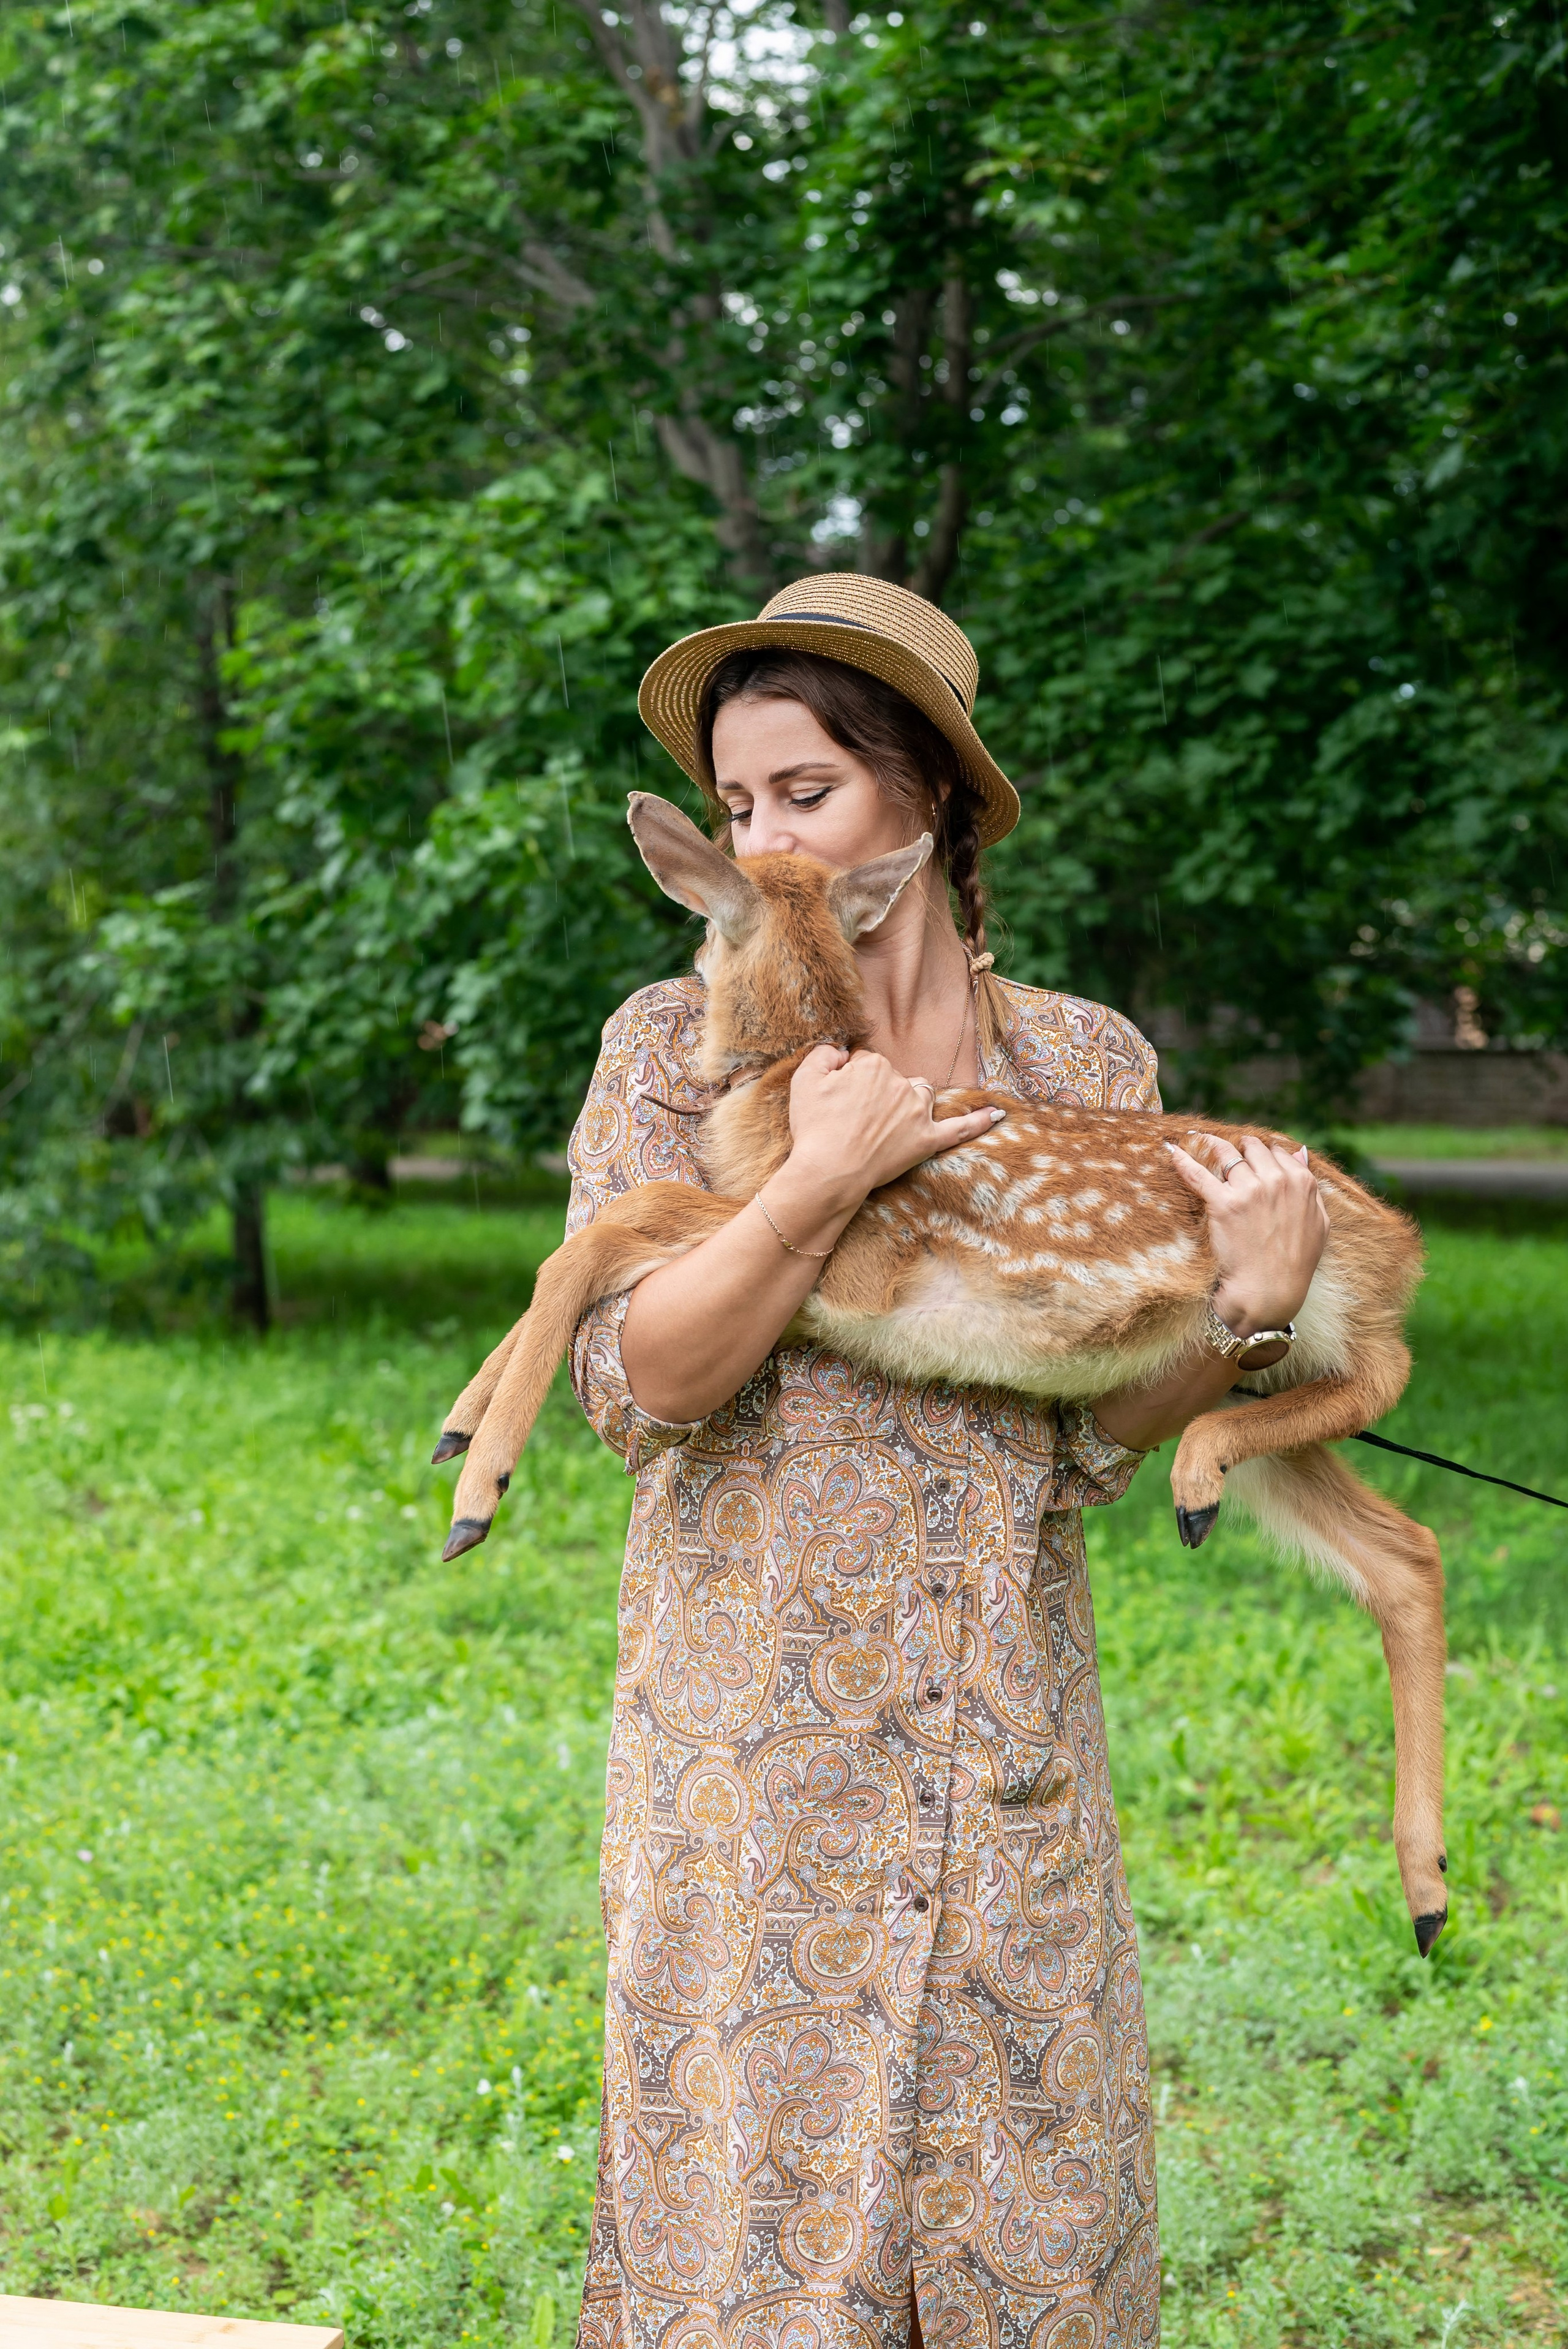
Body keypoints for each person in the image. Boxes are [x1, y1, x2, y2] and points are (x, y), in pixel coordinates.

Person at [567, 575, 1327, 2349]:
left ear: (929, 801)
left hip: (1002, 1769)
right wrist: (818, 1178)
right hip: (758, 1780)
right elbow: (642, 1384)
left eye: (807, 791)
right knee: (754, 2276)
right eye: (737, 803)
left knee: (1029, 2251)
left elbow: (1092, 1443)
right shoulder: (677, 1047)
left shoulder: (1084, 1061)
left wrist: (1252, 1315)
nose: (764, 839)